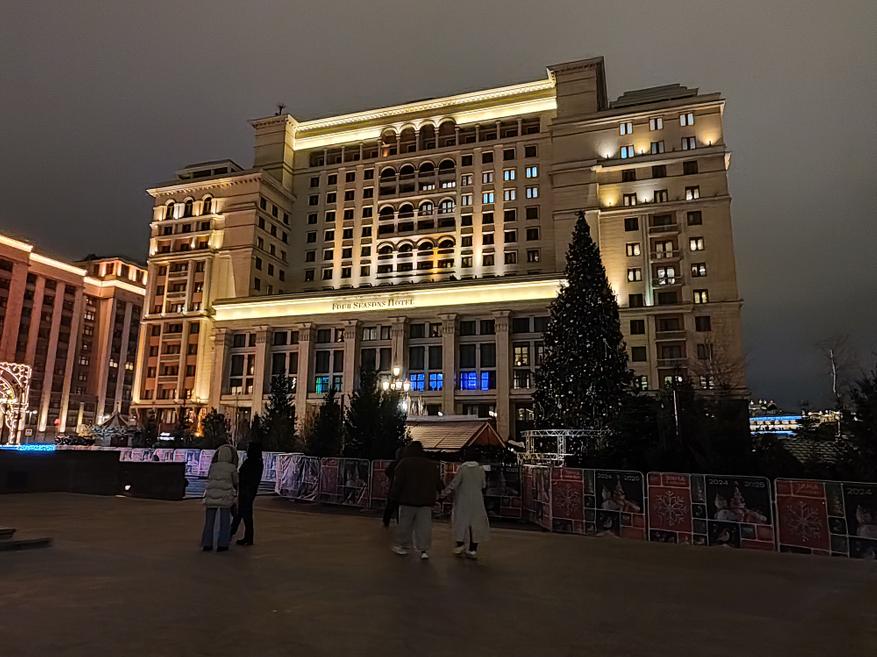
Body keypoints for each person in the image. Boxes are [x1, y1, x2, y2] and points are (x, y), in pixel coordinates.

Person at [390, 441, 443, 560]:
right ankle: (424, 550)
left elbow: (398, 482)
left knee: (405, 524)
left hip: (407, 499)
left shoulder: (404, 463)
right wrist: (441, 493)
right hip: (426, 501)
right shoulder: (430, 465)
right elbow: (438, 481)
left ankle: (403, 546)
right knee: (424, 527)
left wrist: (393, 496)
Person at [441, 455, 490, 559]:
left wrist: (444, 494)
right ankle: (473, 549)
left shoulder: (462, 469)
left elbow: (454, 483)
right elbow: (483, 485)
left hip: (463, 500)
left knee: (461, 522)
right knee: (475, 525)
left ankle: (460, 544)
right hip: (477, 501)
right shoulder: (481, 470)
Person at [201, 444, 239, 552]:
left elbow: (209, 478)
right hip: (225, 497)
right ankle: (222, 544)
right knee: (224, 521)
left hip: (211, 495)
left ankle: (207, 543)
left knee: (209, 522)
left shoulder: (213, 466)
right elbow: (236, 481)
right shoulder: (232, 468)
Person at [230, 442, 263, 546]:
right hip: (250, 490)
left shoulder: (251, 462)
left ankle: (232, 532)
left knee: (242, 513)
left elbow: (244, 475)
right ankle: (246, 536)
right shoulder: (257, 462)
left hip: (246, 490)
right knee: (244, 513)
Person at [382, 445, 404, 528]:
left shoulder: (394, 463)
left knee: (390, 506)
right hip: (401, 490)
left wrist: (391, 477)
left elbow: (387, 472)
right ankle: (399, 522)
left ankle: (386, 521)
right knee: (399, 508)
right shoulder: (404, 463)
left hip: (394, 488)